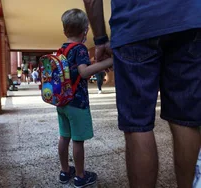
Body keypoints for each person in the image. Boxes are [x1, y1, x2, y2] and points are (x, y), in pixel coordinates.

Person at [83, 0, 201, 187]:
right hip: (188, 18)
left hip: (134, 23)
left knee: (137, 124)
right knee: (186, 118)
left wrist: (100, 38)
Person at [57, 8, 113, 187]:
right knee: (78, 140)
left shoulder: (62, 49)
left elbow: (74, 72)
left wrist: (96, 65)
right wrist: (110, 62)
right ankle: (80, 176)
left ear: (65, 30)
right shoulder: (80, 48)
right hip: (77, 102)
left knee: (64, 137)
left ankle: (65, 172)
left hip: (62, 101)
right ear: (86, 30)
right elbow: (84, 72)